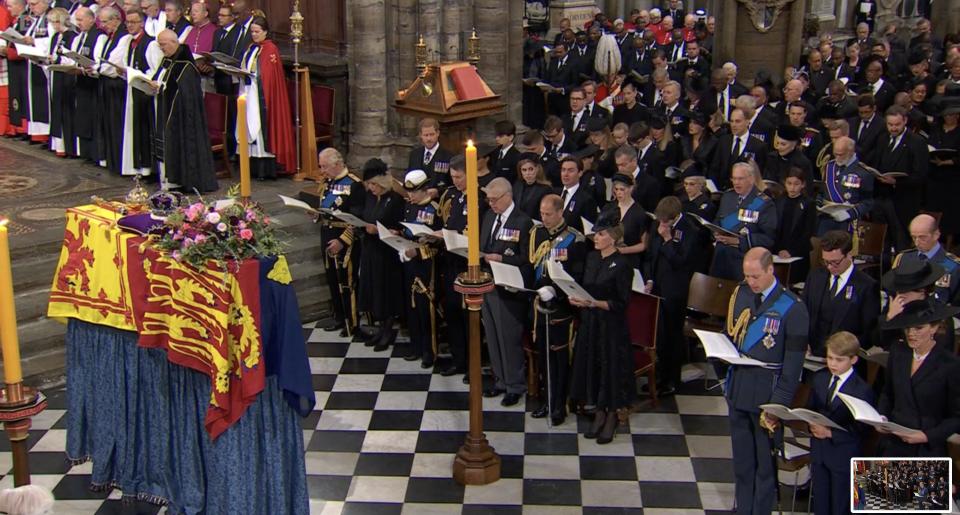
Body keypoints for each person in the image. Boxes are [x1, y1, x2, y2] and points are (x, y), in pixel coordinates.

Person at [725, 247, 808, 515]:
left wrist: (777, 407)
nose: (751, 282)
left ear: (771, 270)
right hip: (739, 390)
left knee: (764, 468)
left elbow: (792, 368)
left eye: (756, 276)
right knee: (743, 464)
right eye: (747, 276)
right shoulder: (742, 294)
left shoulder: (793, 308)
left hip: (766, 397)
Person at [569, 211, 635, 444]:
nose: (596, 238)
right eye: (595, 234)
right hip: (591, 323)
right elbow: (585, 286)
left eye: (601, 234)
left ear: (613, 237)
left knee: (610, 370)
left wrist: (594, 303)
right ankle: (597, 411)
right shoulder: (592, 258)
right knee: (592, 367)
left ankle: (611, 415)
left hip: (611, 327)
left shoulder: (623, 265)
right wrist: (576, 297)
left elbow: (621, 303)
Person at [528, 194, 587, 425]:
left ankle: (559, 406)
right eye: (542, 214)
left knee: (559, 359)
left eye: (548, 214)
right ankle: (547, 401)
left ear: (560, 212)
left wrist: (557, 292)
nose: (544, 218)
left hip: (562, 308)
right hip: (539, 305)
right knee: (543, 357)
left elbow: (577, 276)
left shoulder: (574, 239)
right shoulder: (538, 233)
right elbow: (533, 265)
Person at [878, 298, 960, 457]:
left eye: (918, 328)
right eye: (908, 328)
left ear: (934, 328)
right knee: (869, 482)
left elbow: (957, 417)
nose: (911, 333)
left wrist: (927, 436)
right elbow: (887, 392)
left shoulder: (950, 364)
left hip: (926, 449)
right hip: (892, 443)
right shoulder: (898, 352)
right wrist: (881, 416)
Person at [806, 331, 874, 515]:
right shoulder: (820, 378)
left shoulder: (862, 390)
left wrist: (830, 433)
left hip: (843, 456)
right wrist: (810, 423)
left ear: (853, 360)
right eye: (829, 358)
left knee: (840, 506)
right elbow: (811, 408)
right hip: (819, 452)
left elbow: (863, 430)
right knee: (820, 504)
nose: (833, 364)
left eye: (839, 360)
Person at [480, 178, 534, 406]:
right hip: (488, 283)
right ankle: (500, 379)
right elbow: (484, 245)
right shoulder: (489, 216)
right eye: (488, 200)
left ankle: (515, 384)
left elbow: (528, 259)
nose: (490, 204)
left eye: (494, 200)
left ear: (507, 196)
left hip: (509, 288)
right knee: (492, 335)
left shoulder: (523, 222)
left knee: (508, 338)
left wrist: (503, 258)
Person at [644, 196, 701, 394]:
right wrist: (649, 278)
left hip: (676, 290)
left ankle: (672, 379)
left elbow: (680, 261)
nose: (661, 224)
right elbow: (651, 254)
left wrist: (668, 239)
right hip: (657, 285)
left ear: (675, 216)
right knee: (658, 335)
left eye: (665, 221)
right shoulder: (657, 225)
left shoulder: (690, 230)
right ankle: (658, 376)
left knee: (672, 336)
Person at [151, 29, 217, 192]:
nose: (162, 49)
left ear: (174, 43)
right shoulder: (168, 60)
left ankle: (180, 180)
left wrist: (161, 88)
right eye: (159, 45)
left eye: (163, 45)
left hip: (180, 117)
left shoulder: (185, 66)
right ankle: (167, 179)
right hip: (164, 108)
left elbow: (185, 94)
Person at [801, 231, 880, 357]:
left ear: (849, 255)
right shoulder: (815, 277)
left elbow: (869, 333)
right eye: (826, 262)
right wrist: (803, 342)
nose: (830, 267)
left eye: (835, 262)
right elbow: (802, 313)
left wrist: (842, 354)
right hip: (812, 355)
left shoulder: (866, 286)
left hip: (844, 359)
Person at [236, 16, 295, 179]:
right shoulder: (251, 47)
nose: (254, 35)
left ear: (265, 32)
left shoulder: (270, 49)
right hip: (248, 94)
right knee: (247, 127)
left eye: (257, 32)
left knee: (261, 129)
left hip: (261, 96)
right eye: (252, 31)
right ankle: (252, 167)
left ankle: (265, 169)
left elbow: (269, 76)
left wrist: (254, 77)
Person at [356, 158, 404, 351]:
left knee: (386, 292)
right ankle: (379, 327)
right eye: (369, 184)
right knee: (373, 290)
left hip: (386, 254)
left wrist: (380, 230)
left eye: (374, 184)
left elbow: (399, 227)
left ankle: (388, 329)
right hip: (370, 250)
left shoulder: (395, 200)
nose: (371, 188)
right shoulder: (369, 198)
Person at [316, 148, 364, 335]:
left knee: (347, 281)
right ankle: (338, 316)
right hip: (326, 233)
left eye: (325, 166)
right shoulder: (328, 182)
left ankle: (351, 321)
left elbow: (357, 219)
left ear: (337, 164)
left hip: (344, 238)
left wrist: (343, 241)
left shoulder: (355, 185)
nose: (322, 171)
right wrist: (316, 214)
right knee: (332, 278)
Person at [867, 106, 929, 250]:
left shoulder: (916, 142)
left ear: (905, 121)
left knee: (900, 242)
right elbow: (876, 162)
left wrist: (896, 182)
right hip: (880, 198)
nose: (893, 128)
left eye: (897, 125)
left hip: (902, 202)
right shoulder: (882, 138)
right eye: (890, 125)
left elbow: (921, 175)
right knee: (881, 242)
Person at [399, 169, 441, 369]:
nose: (410, 196)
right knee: (412, 306)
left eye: (413, 192)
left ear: (424, 189)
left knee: (426, 308)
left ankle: (429, 350)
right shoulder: (409, 206)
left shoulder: (435, 209)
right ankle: (415, 346)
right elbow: (406, 231)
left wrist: (420, 251)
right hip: (409, 261)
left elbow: (440, 243)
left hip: (427, 265)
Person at [710, 162, 778, 280]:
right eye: (734, 179)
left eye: (740, 179)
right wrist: (715, 232)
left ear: (751, 179)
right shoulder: (727, 197)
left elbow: (768, 238)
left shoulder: (765, 204)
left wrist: (738, 241)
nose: (736, 183)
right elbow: (718, 219)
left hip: (743, 260)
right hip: (720, 257)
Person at [118, 8, 161, 177]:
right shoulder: (129, 42)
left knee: (144, 128)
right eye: (127, 22)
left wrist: (142, 77)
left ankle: (147, 168)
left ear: (142, 23)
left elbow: (156, 68)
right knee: (133, 128)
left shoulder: (150, 43)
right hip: (131, 90)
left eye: (133, 22)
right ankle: (135, 166)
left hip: (144, 92)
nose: (129, 25)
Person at [893, 214, 960, 306]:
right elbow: (892, 295)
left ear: (936, 235)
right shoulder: (903, 258)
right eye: (914, 237)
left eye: (922, 237)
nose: (916, 243)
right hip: (904, 317)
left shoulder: (954, 266)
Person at [817, 136, 874, 235]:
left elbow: (868, 202)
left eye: (841, 155)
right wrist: (818, 204)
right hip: (826, 219)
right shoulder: (829, 167)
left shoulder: (863, 172)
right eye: (835, 154)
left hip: (848, 222)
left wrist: (849, 214)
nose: (837, 158)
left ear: (851, 152)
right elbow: (822, 191)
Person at [94, 5, 128, 173]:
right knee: (107, 123)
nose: (102, 25)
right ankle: (110, 159)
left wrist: (95, 68)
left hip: (117, 87)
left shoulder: (123, 36)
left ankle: (118, 161)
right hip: (106, 84)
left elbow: (113, 65)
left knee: (116, 124)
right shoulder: (109, 36)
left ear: (116, 19)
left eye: (105, 21)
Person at [68, 7, 104, 161]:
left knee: (92, 118)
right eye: (77, 20)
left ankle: (95, 153)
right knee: (82, 117)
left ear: (91, 19)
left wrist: (86, 69)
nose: (78, 23)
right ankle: (85, 152)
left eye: (81, 19)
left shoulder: (99, 37)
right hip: (80, 82)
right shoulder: (78, 38)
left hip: (93, 84)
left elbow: (98, 60)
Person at [773, 167, 816, 282]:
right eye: (789, 183)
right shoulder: (779, 201)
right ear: (784, 183)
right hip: (778, 252)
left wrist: (791, 252)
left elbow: (808, 232)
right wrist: (779, 249)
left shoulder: (808, 204)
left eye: (796, 184)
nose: (792, 187)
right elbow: (774, 229)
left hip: (799, 253)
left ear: (803, 185)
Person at [45, 6, 77, 157]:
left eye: (55, 22)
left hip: (66, 77)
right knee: (56, 108)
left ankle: (68, 146)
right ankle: (58, 145)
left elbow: (71, 57)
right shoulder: (54, 37)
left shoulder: (71, 36)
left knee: (65, 110)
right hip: (55, 75)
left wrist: (55, 58)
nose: (53, 25)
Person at [926, 96, 960, 242]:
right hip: (935, 175)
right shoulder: (936, 129)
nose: (950, 118)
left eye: (953, 115)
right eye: (947, 115)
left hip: (954, 178)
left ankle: (950, 242)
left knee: (951, 214)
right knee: (933, 207)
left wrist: (951, 161)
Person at [710, 108, 767, 189]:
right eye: (731, 121)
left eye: (737, 121)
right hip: (722, 191)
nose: (733, 125)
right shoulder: (723, 141)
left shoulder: (758, 146)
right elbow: (715, 167)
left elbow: (759, 174)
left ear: (747, 122)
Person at [601, 173, 648, 268]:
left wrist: (622, 250)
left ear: (631, 188)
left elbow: (644, 245)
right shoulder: (609, 207)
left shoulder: (639, 213)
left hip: (627, 261)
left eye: (622, 189)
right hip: (606, 257)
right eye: (616, 189)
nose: (618, 193)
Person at [407, 117, 453, 191]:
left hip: (438, 200)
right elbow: (409, 178)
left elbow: (452, 185)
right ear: (420, 135)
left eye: (431, 134)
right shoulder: (414, 155)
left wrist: (438, 192)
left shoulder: (448, 157)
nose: (429, 139)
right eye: (426, 135)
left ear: (438, 133)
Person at [557, 157, 598, 233]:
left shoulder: (586, 200)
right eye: (563, 170)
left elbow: (589, 232)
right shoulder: (554, 193)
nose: (566, 174)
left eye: (570, 170)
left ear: (580, 173)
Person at [614, 143, 659, 213]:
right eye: (618, 165)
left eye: (623, 165)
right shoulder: (616, 179)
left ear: (634, 161)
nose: (620, 169)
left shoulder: (650, 183)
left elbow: (651, 212)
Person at [512, 156, 552, 221]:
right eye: (524, 170)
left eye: (531, 169)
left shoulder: (545, 189)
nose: (527, 173)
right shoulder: (517, 186)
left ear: (537, 169)